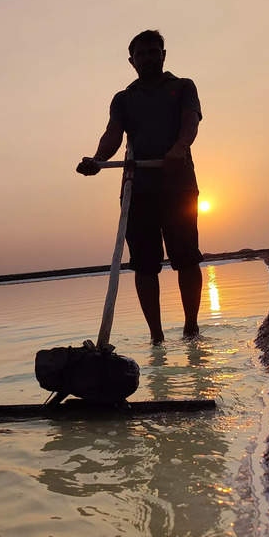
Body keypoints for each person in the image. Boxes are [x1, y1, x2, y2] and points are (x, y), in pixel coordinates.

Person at [76, 29, 203, 343]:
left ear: (163, 54)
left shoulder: (183, 87)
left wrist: (178, 149)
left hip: (178, 185)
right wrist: (97, 159)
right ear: (131, 61)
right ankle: (156, 338)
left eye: (153, 51)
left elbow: (191, 123)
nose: (147, 57)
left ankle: (191, 328)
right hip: (138, 189)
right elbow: (113, 135)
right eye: (141, 54)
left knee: (185, 257)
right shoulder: (124, 99)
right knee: (145, 265)